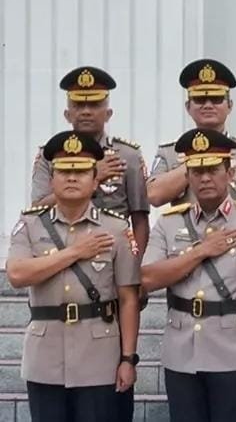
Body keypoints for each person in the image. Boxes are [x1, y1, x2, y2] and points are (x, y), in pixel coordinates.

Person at [27, 65, 149, 422]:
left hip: (111, 271)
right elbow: (37, 208)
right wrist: (91, 177)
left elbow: (140, 218)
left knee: (111, 384)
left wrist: (135, 271)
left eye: (94, 104)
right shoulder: (49, 155)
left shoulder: (127, 156)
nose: (85, 111)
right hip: (59, 269)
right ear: (67, 113)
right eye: (77, 105)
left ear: (107, 111)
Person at [141, 129, 236, 422]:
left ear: (230, 174)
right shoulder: (168, 224)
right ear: (188, 177)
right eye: (197, 171)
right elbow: (148, 278)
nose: (205, 178)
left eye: (213, 170)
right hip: (182, 352)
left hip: (235, 352)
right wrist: (201, 251)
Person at [8, 130, 141, 422]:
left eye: (80, 172)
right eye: (64, 172)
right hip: (45, 357)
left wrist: (128, 358)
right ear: (52, 180)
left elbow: (128, 299)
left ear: (95, 181)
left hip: (98, 356)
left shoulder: (116, 229)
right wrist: (75, 252)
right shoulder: (30, 224)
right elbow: (17, 273)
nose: (71, 178)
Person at [148, 59, 236, 207]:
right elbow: (154, 196)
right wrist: (195, 159)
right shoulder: (170, 152)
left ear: (230, 106)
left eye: (216, 99)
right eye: (200, 99)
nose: (208, 105)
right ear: (188, 107)